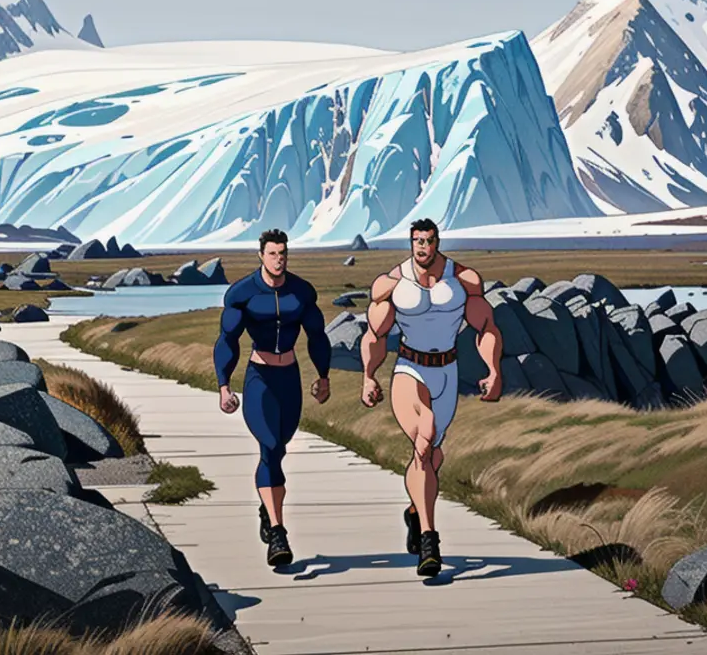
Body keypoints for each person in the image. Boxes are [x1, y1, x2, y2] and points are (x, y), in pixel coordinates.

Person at [359, 218, 503, 576]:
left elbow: (486, 326)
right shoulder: (391, 284)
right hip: (410, 368)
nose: (423, 247)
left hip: (447, 372)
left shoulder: (463, 281)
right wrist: (368, 376)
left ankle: (414, 511)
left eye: (428, 240)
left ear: (438, 242)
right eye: (417, 241)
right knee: (424, 437)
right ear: (410, 243)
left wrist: (493, 369)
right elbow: (376, 333)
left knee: (432, 455)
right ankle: (429, 540)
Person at [214, 228, 332, 567]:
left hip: (289, 379)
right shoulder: (243, 294)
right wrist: (224, 385)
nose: (278, 259)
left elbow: (317, 336)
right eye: (272, 254)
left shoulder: (301, 292)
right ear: (261, 256)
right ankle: (278, 533)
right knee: (268, 447)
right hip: (259, 379)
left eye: (283, 254)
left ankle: (268, 508)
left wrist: (323, 377)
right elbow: (227, 340)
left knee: (279, 448)